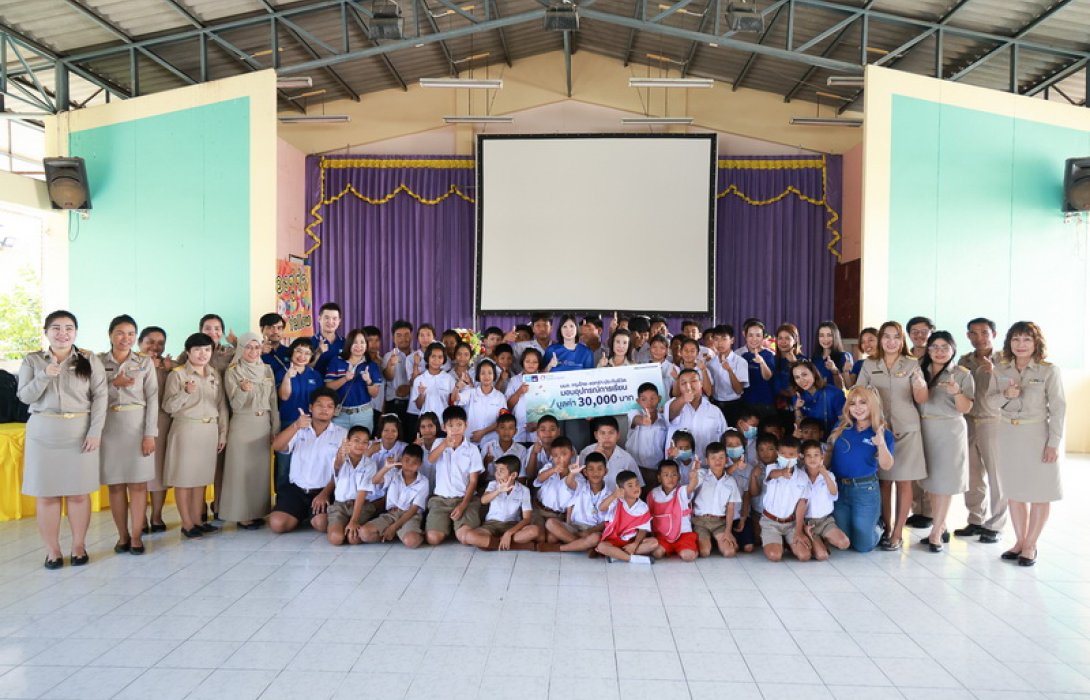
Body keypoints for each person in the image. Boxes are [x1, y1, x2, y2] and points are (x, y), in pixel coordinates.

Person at [18, 310, 107, 568]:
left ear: (75, 332)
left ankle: (78, 545)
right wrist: (45, 374)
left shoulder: (89, 359)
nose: (62, 333)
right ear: (46, 332)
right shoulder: (32, 360)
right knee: (46, 495)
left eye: (68, 328)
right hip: (43, 433)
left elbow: (100, 396)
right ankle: (53, 550)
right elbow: (25, 397)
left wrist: (95, 431)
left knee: (79, 494)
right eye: (56, 328)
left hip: (80, 433)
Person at [989, 321, 1064, 567]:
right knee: (1015, 492)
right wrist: (1005, 396)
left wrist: (1053, 443)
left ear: (1036, 343)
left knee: (1040, 492)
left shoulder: (1048, 371)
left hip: (1037, 435)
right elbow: (989, 403)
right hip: (1007, 434)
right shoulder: (1000, 369)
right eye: (1016, 340)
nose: (1021, 345)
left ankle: (1031, 544)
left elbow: (1059, 409)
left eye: (1027, 340)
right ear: (1009, 343)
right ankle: (1020, 542)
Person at [855, 321, 928, 551]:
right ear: (879, 340)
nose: (891, 341)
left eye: (896, 337)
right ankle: (886, 529)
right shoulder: (869, 363)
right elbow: (859, 392)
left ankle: (898, 533)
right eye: (886, 336)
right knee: (884, 482)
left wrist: (920, 385)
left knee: (904, 483)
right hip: (879, 431)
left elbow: (921, 397)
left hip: (907, 430)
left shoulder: (912, 363)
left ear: (902, 340)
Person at [98, 314, 158, 555]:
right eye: (121, 333)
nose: (126, 338)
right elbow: (91, 392)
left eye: (131, 333)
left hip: (137, 425)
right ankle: (121, 535)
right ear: (111, 335)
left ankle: (136, 536)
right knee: (115, 485)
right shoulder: (97, 361)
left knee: (138, 484)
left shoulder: (144, 362)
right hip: (109, 426)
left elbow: (153, 398)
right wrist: (115, 382)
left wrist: (150, 433)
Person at [163, 333, 229, 539]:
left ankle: (199, 521)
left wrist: (222, 434)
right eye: (198, 350)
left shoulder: (214, 374)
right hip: (186, 429)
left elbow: (221, 406)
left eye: (207, 349)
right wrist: (186, 392)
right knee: (185, 479)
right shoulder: (178, 374)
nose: (203, 354)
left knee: (201, 478)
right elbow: (168, 406)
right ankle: (187, 523)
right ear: (188, 352)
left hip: (208, 430)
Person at [917, 331, 974, 552]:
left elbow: (966, 408)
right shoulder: (920, 370)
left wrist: (957, 392)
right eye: (935, 347)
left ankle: (936, 531)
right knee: (932, 481)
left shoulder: (961, 374)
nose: (939, 352)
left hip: (949, 430)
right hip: (924, 428)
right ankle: (941, 525)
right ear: (928, 350)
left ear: (953, 350)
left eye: (945, 347)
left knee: (946, 482)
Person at [954, 317, 1005, 543]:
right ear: (968, 336)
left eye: (984, 332)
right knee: (972, 475)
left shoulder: (1005, 359)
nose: (979, 338)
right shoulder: (965, 360)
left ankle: (996, 524)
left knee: (997, 475)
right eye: (974, 333)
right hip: (968, 421)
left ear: (993, 334)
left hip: (993, 422)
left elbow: (1011, 388)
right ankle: (975, 519)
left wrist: (994, 372)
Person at [221, 332, 279, 529]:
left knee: (259, 471)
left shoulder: (267, 370)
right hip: (242, 424)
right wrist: (243, 392)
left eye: (256, 347)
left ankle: (258, 511)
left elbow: (273, 402)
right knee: (240, 470)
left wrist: (275, 428)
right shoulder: (233, 371)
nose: (253, 351)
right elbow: (234, 405)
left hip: (263, 424)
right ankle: (242, 515)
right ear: (241, 349)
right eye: (248, 347)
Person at [268, 388, 347, 533]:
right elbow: (277, 446)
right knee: (277, 524)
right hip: (297, 489)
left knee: (322, 524)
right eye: (320, 405)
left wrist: (325, 493)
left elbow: (342, 471)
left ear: (335, 411)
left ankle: (309, 515)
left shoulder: (342, 434)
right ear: (311, 407)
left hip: (323, 490)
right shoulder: (299, 428)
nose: (324, 409)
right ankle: (301, 514)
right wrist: (296, 425)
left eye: (330, 406)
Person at [826, 386, 894, 552]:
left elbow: (886, 465)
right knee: (845, 541)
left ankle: (879, 525)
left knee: (863, 546)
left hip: (865, 489)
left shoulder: (882, 432)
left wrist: (881, 444)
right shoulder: (841, 427)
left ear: (873, 405)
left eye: (863, 402)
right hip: (840, 489)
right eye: (852, 403)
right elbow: (829, 454)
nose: (857, 407)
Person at [425, 405, 484, 545]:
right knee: (433, 539)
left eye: (459, 425)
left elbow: (473, 481)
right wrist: (444, 445)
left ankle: (457, 527)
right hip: (441, 500)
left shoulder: (472, 449)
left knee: (465, 538)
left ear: (466, 425)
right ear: (444, 427)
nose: (455, 429)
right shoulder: (439, 443)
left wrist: (463, 505)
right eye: (451, 425)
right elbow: (431, 460)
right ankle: (447, 525)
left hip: (465, 500)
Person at [463, 455, 540, 550]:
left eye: (501, 470)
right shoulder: (493, 485)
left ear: (513, 475)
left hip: (512, 525)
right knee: (469, 536)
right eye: (496, 470)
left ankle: (492, 543)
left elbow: (527, 519)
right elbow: (483, 500)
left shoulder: (524, 490)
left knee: (534, 531)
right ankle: (514, 545)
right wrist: (498, 491)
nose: (497, 473)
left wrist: (509, 533)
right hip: (491, 525)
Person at [361, 443, 429, 548]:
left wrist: (393, 527)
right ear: (401, 459)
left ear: (420, 464)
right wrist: (386, 468)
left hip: (410, 516)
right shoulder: (394, 473)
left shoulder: (423, 482)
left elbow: (413, 509)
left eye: (414, 463)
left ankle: (405, 532)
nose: (409, 465)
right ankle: (397, 533)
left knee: (412, 542)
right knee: (364, 533)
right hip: (391, 514)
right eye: (406, 460)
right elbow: (375, 480)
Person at [276, 337, 322, 493]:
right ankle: (282, 499)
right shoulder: (282, 371)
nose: (302, 356)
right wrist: (288, 378)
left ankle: (301, 500)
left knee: (306, 462)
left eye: (307, 353)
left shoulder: (315, 375)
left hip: (310, 425)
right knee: (284, 464)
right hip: (288, 422)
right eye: (299, 351)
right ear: (292, 352)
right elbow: (283, 396)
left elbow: (319, 400)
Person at [138, 325, 172, 532]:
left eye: (160, 343)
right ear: (139, 343)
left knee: (159, 473)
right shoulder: (131, 364)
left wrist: (167, 371)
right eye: (150, 341)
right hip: (135, 422)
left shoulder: (170, 365)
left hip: (162, 423)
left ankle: (157, 516)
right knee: (138, 473)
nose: (155, 347)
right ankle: (139, 518)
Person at [758, 436, 812, 562]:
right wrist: (782, 473)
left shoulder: (802, 477)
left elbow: (801, 505)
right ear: (777, 453)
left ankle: (788, 542)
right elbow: (772, 475)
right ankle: (779, 543)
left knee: (805, 556)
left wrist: (799, 532)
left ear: (798, 456)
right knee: (775, 556)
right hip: (770, 522)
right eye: (783, 454)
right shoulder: (772, 468)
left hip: (791, 523)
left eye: (791, 454)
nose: (787, 457)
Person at [545, 452, 609, 553]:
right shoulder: (581, 485)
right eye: (591, 469)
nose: (595, 473)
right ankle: (584, 546)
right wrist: (573, 473)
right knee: (550, 523)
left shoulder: (610, 494)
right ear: (585, 472)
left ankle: (562, 548)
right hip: (575, 527)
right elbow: (569, 483)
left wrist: (589, 531)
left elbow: (607, 522)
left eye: (599, 469)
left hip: (593, 530)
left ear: (606, 471)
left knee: (595, 538)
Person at [690, 441, 743, 557]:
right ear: (707, 461)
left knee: (729, 552)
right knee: (704, 552)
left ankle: (717, 541)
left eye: (721, 457)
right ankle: (708, 542)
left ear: (726, 460)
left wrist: (728, 532)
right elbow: (692, 486)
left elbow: (730, 509)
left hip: (719, 523)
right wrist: (694, 473)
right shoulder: (701, 475)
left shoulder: (731, 481)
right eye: (713, 458)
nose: (717, 461)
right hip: (701, 522)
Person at [325, 328, 383, 431]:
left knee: (361, 445)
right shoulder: (337, 361)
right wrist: (345, 379)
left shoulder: (371, 365)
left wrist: (369, 381)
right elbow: (328, 387)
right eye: (355, 342)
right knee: (339, 445)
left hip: (363, 415)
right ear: (349, 344)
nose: (359, 346)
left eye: (362, 342)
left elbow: (374, 394)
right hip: (340, 415)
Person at [800, 439, 849, 559]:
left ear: (822, 456)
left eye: (816, 455)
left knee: (844, 543)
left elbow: (834, 494)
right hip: (806, 522)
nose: (813, 459)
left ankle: (822, 538)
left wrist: (825, 474)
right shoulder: (799, 476)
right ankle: (812, 536)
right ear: (802, 458)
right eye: (808, 455)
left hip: (824, 521)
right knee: (822, 556)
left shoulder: (829, 475)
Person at [595, 470, 657, 563]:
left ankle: (617, 556)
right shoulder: (616, 501)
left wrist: (635, 544)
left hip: (630, 542)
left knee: (653, 543)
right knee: (601, 547)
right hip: (613, 541)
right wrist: (613, 496)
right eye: (630, 485)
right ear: (621, 489)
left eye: (637, 484)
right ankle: (632, 559)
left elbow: (643, 530)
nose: (635, 488)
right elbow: (601, 508)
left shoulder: (643, 507)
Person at [326, 425, 374, 545]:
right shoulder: (339, 459)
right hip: (340, 506)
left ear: (368, 445)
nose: (360, 445)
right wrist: (341, 453)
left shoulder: (370, 464)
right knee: (336, 538)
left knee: (354, 539)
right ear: (347, 442)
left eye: (365, 442)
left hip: (360, 506)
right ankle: (337, 525)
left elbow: (362, 492)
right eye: (356, 441)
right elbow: (337, 465)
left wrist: (354, 520)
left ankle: (347, 524)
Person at [665, 368, 727, 459]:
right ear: (679, 386)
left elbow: (723, 437)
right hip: (678, 467)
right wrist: (683, 399)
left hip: (706, 466)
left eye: (693, 381)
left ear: (701, 383)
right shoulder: (673, 404)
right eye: (683, 383)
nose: (688, 386)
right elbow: (671, 413)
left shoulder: (714, 411)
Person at [647, 459, 700, 561]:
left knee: (688, 557)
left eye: (674, 475)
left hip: (683, 535)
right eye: (666, 475)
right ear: (659, 478)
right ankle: (673, 549)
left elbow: (691, 486)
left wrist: (693, 477)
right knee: (657, 553)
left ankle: (691, 549)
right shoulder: (653, 494)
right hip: (663, 536)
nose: (670, 478)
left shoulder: (682, 491)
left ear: (679, 477)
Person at [532, 437, 576, 540]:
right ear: (551, 456)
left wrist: (568, 523)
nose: (560, 459)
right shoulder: (548, 467)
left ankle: (577, 543)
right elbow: (539, 479)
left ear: (572, 453)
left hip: (558, 516)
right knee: (540, 537)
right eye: (555, 456)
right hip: (540, 510)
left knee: (552, 539)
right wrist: (553, 470)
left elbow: (573, 502)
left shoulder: (576, 475)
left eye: (564, 454)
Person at [578, 416, 641, 487]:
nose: (607, 437)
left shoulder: (626, 458)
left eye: (611, 433)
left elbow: (638, 484)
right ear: (596, 435)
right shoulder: (586, 453)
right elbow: (580, 481)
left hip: (618, 497)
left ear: (618, 435)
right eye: (602, 433)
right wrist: (595, 456)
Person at [626, 382, 668, 488]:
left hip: (656, 471)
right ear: (638, 401)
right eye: (644, 399)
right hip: (635, 469)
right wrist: (645, 420)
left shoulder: (664, 419)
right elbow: (640, 420)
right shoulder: (634, 413)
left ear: (659, 398)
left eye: (653, 398)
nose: (649, 403)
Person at [790, 359, 846, 439]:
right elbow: (800, 427)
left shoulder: (834, 393)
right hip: (811, 443)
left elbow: (844, 422)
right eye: (797, 377)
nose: (801, 380)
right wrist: (797, 409)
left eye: (804, 375)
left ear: (814, 374)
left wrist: (832, 441)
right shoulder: (797, 396)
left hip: (835, 438)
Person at [456, 360, 507, 445]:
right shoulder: (471, 393)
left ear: (494, 375)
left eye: (490, 373)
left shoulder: (500, 397)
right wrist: (457, 386)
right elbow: (455, 398)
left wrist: (483, 432)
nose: (486, 376)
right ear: (478, 376)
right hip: (470, 440)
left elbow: (503, 420)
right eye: (483, 373)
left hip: (491, 442)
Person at [708, 324, 748, 426]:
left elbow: (739, 390)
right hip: (715, 404)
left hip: (734, 405)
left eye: (724, 339)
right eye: (716, 339)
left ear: (732, 340)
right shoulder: (710, 363)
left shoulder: (740, 362)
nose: (720, 343)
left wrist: (730, 370)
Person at [382, 319, 415, 435]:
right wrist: (391, 364)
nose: (403, 338)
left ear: (411, 336)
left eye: (407, 335)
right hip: (394, 405)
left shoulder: (418, 356)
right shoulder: (388, 356)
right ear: (393, 338)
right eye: (399, 335)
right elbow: (388, 377)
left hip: (413, 405)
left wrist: (409, 388)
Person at [410, 342, 456, 421]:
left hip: (444, 422)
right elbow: (418, 406)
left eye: (440, 357)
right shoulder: (419, 379)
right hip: (425, 423)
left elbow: (454, 402)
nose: (436, 360)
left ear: (444, 359)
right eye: (433, 356)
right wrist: (421, 394)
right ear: (427, 357)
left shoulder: (449, 379)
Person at [505, 348, 542, 445]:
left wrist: (538, 424)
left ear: (539, 364)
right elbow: (507, 406)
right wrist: (519, 392)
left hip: (538, 428)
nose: (531, 364)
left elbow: (550, 407)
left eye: (535, 362)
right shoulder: (514, 380)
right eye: (528, 361)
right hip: (518, 426)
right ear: (522, 362)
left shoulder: (544, 380)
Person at [740, 319, 775, 416]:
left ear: (763, 337)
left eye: (758, 335)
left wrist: (762, 362)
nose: (754, 339)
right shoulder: (744, 356)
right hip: (747, 403)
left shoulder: (768, 355)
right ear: (745, 336)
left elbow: (767, 377)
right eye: (750, 335)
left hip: (765, 404)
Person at [812, 321, 854, 390]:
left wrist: (838, 370)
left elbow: (849, 387)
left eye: (829, 335)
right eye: (821, 335)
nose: (825, 339)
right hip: (818, 398)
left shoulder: (844, 356)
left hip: (836, 398)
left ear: (835, 337)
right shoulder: (815, 358)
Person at [310, 302, 345, 376]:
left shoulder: (345, 342)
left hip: (339, 385)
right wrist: (318, 353)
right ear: (319, 319)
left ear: (339, 321)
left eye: (334, 318)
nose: (330, 322)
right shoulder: (310, 342)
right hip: (317, 385)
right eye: (327, 318)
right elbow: (304, 370)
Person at [258, 312, 291, 384]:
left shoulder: (290, 352)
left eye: (279, 328)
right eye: (270, 327)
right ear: (262, 330)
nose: (276, 331)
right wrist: (260, 355)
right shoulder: (254, 352)